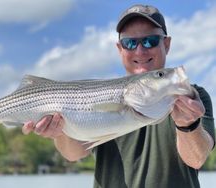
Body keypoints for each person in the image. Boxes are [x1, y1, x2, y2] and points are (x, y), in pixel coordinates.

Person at [22, 4, 215, 188]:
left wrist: (188, 125)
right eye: (130, 43)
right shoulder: (100, 94)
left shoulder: (192, 97)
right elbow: (74, 153)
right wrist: (59, 131)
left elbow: (197, 158)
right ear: (120, 49)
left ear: (167, 44)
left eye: (150, 41)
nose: (140, 50)